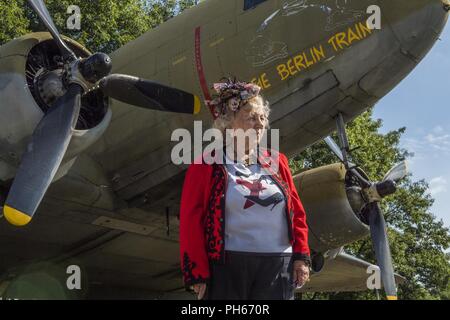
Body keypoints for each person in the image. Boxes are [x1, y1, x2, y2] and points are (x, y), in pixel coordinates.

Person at [179, 78, 310, 300]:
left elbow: (296, 212)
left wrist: (301, 256)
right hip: (228, 268)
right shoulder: (205, 165)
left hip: (278, 267)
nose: (260, 124)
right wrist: (197, 273)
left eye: (262, 118)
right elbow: (191, 221)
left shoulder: (279, 161)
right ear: (229, 124)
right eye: (250, 118)